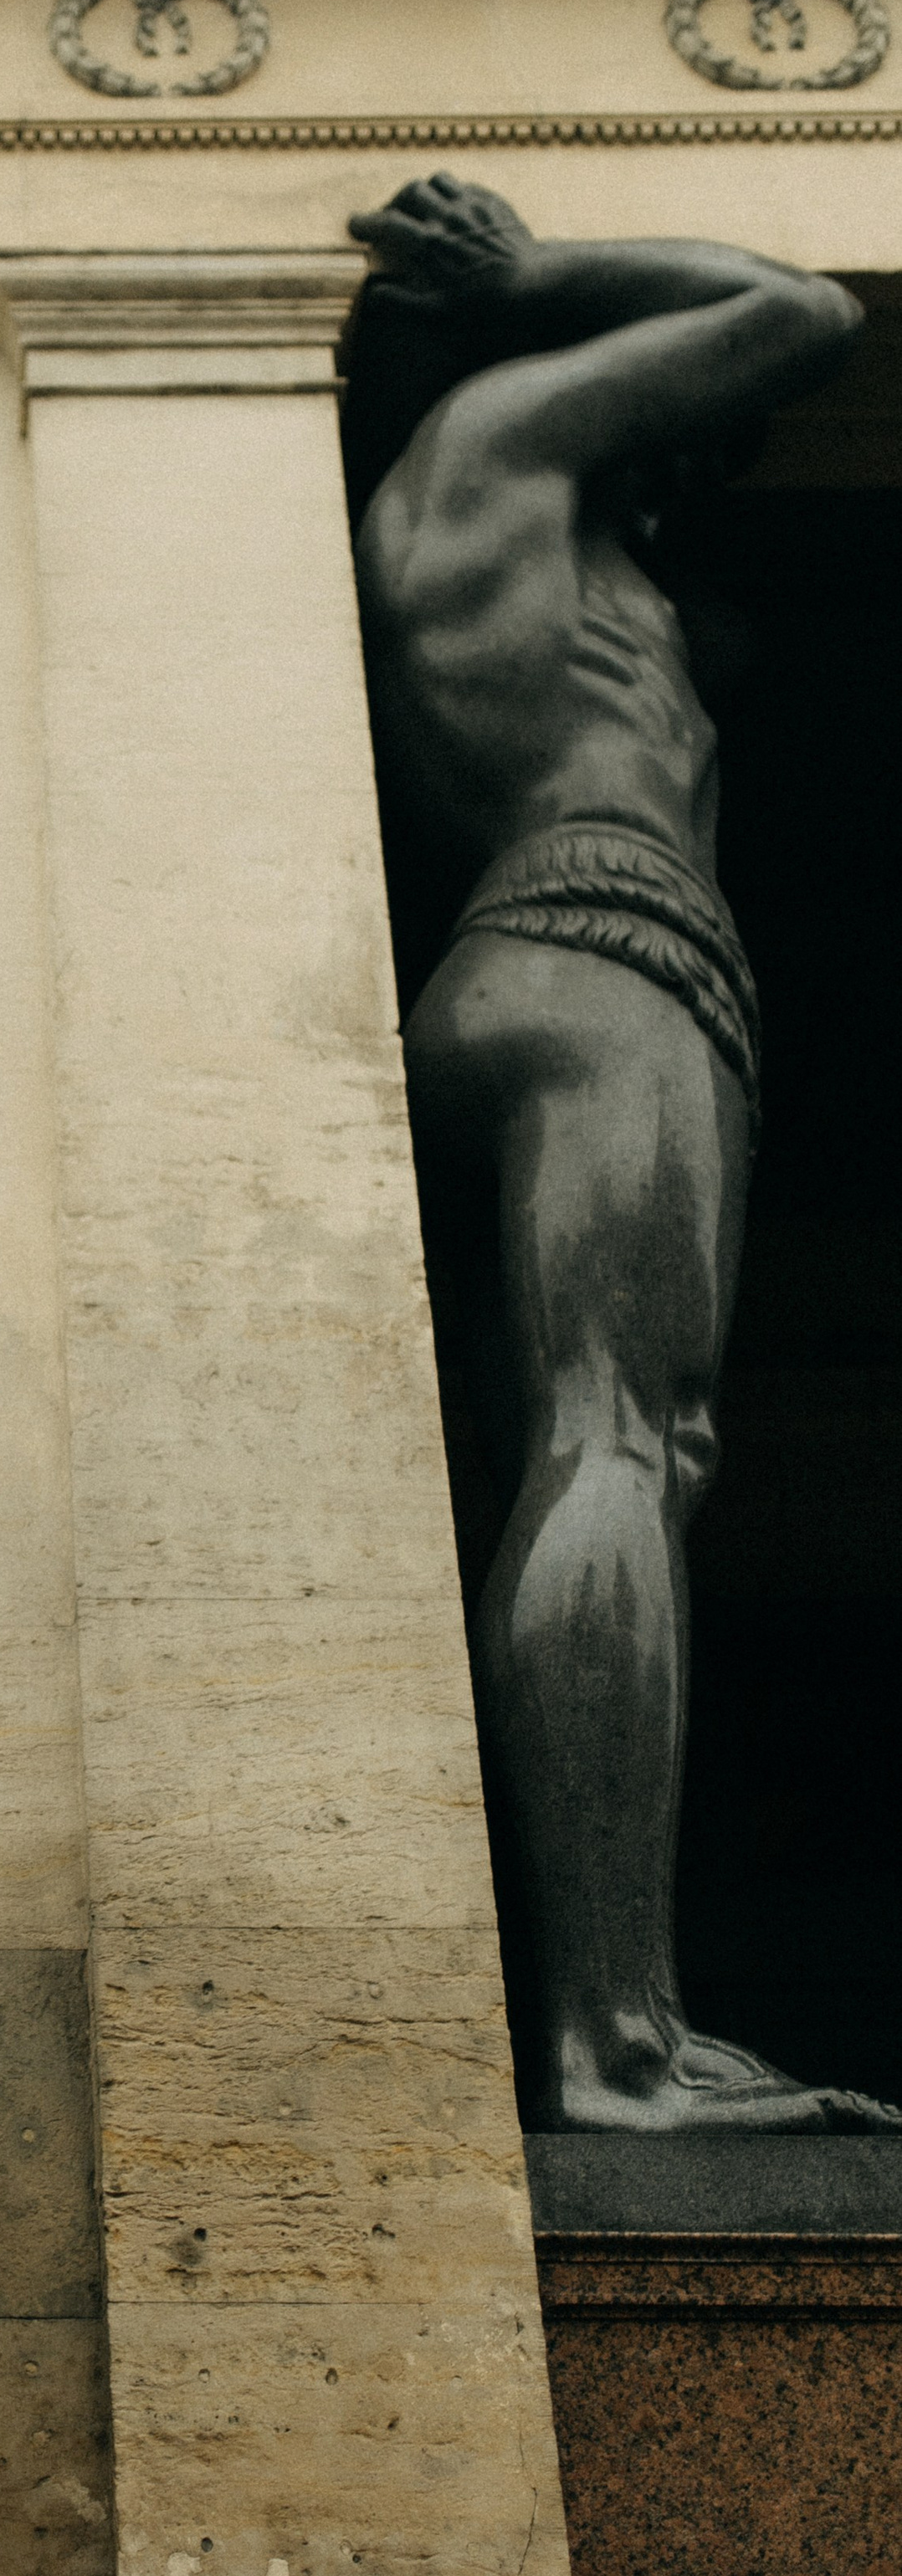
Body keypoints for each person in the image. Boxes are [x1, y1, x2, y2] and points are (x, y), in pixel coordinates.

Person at [345, 171, 894, 2133]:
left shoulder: (534, 540)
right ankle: (617, 2040)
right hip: (605, 953)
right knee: (621, 1441)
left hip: (534, 958)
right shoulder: (489, 443)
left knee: (575, 1451)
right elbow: (798, 309)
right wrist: (542, 272)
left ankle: (599, 2015)